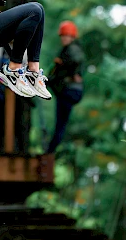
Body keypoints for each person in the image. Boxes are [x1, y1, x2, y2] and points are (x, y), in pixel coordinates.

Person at [47, 21, 84, 153]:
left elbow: (76, 60)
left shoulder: (72, 49)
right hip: (67, 91)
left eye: (66, 36)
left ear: (72, 37)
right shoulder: (66, 51)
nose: (64, 39)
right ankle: (51, 149)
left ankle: (50, 150)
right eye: (62, 36)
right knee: (60, 124)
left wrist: (71, 71)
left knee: (60, 124)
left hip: (69, 91)